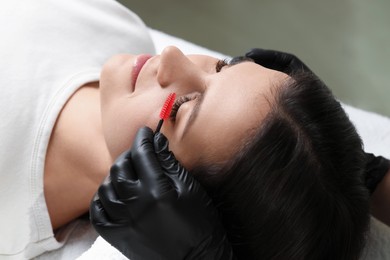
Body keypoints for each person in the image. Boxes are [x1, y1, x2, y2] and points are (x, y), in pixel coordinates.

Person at [0, 1, 388, 260]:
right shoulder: (115, 28)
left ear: (160, 200)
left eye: (183, 107)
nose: (172, 57)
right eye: (221, 67)